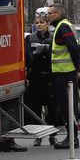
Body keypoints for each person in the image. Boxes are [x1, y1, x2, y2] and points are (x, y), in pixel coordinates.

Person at [47, 4, 80, 150]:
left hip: (65, 74)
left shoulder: (62, 26)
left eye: (50, 13)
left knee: (66, 106)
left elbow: (73, 48)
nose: (47, 16)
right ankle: (72, 138)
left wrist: (77, 67)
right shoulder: (63, 26)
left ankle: (72, 139)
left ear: (57, 13)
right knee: (67, 106)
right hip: (64, 74)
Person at [24, 12, 53, 147]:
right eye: (37, 23)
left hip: (50, 76)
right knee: (35, 107)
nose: (39, 25)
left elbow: (55, 54)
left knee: (52, 108)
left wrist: (46, 52)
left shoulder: (53, 37)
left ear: (47, 24)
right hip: (36, 77)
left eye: (42, 22)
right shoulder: (30, 38)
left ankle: (53, 135)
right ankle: (38, 136)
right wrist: (35, 55)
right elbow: (27, 56)